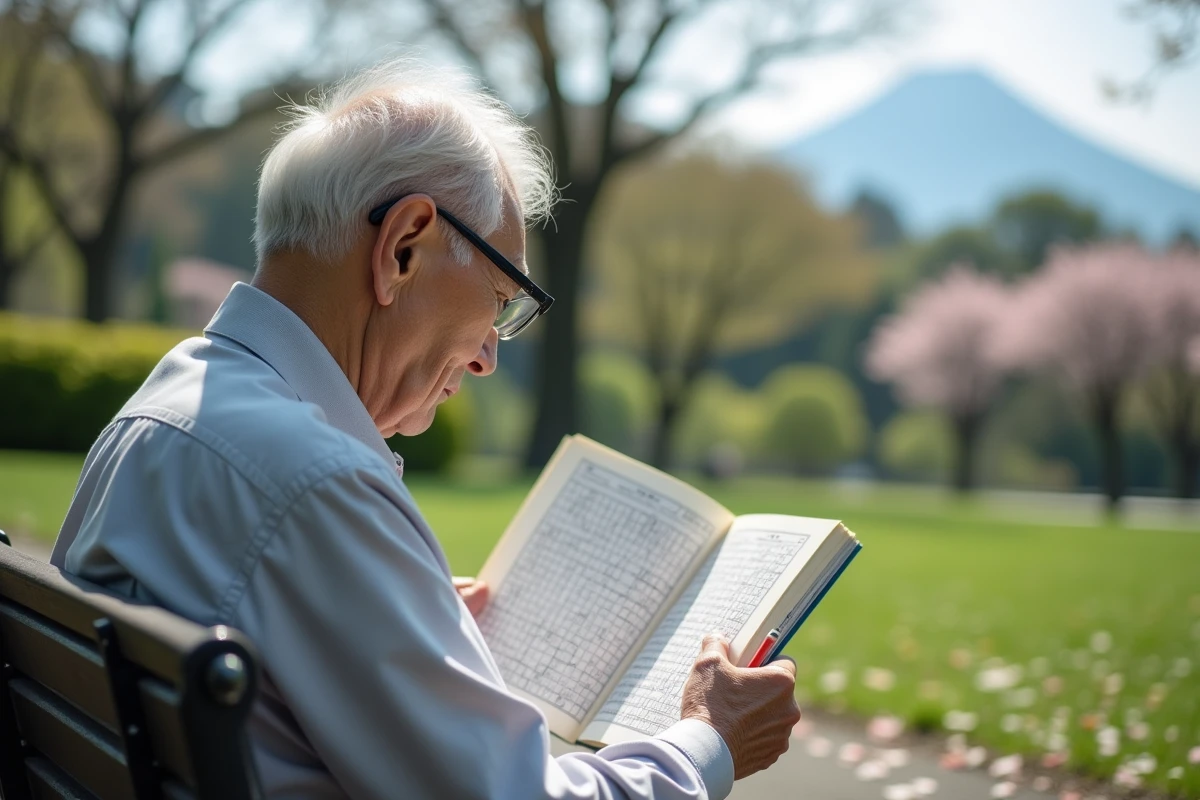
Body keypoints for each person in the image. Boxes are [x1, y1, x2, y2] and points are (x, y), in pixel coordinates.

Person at [50, 60, 800, 799]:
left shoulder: (163, 406)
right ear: (404, 246)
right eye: (500, 298)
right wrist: (707, 741)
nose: (486, 358)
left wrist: (392, 621)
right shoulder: (316, 484)